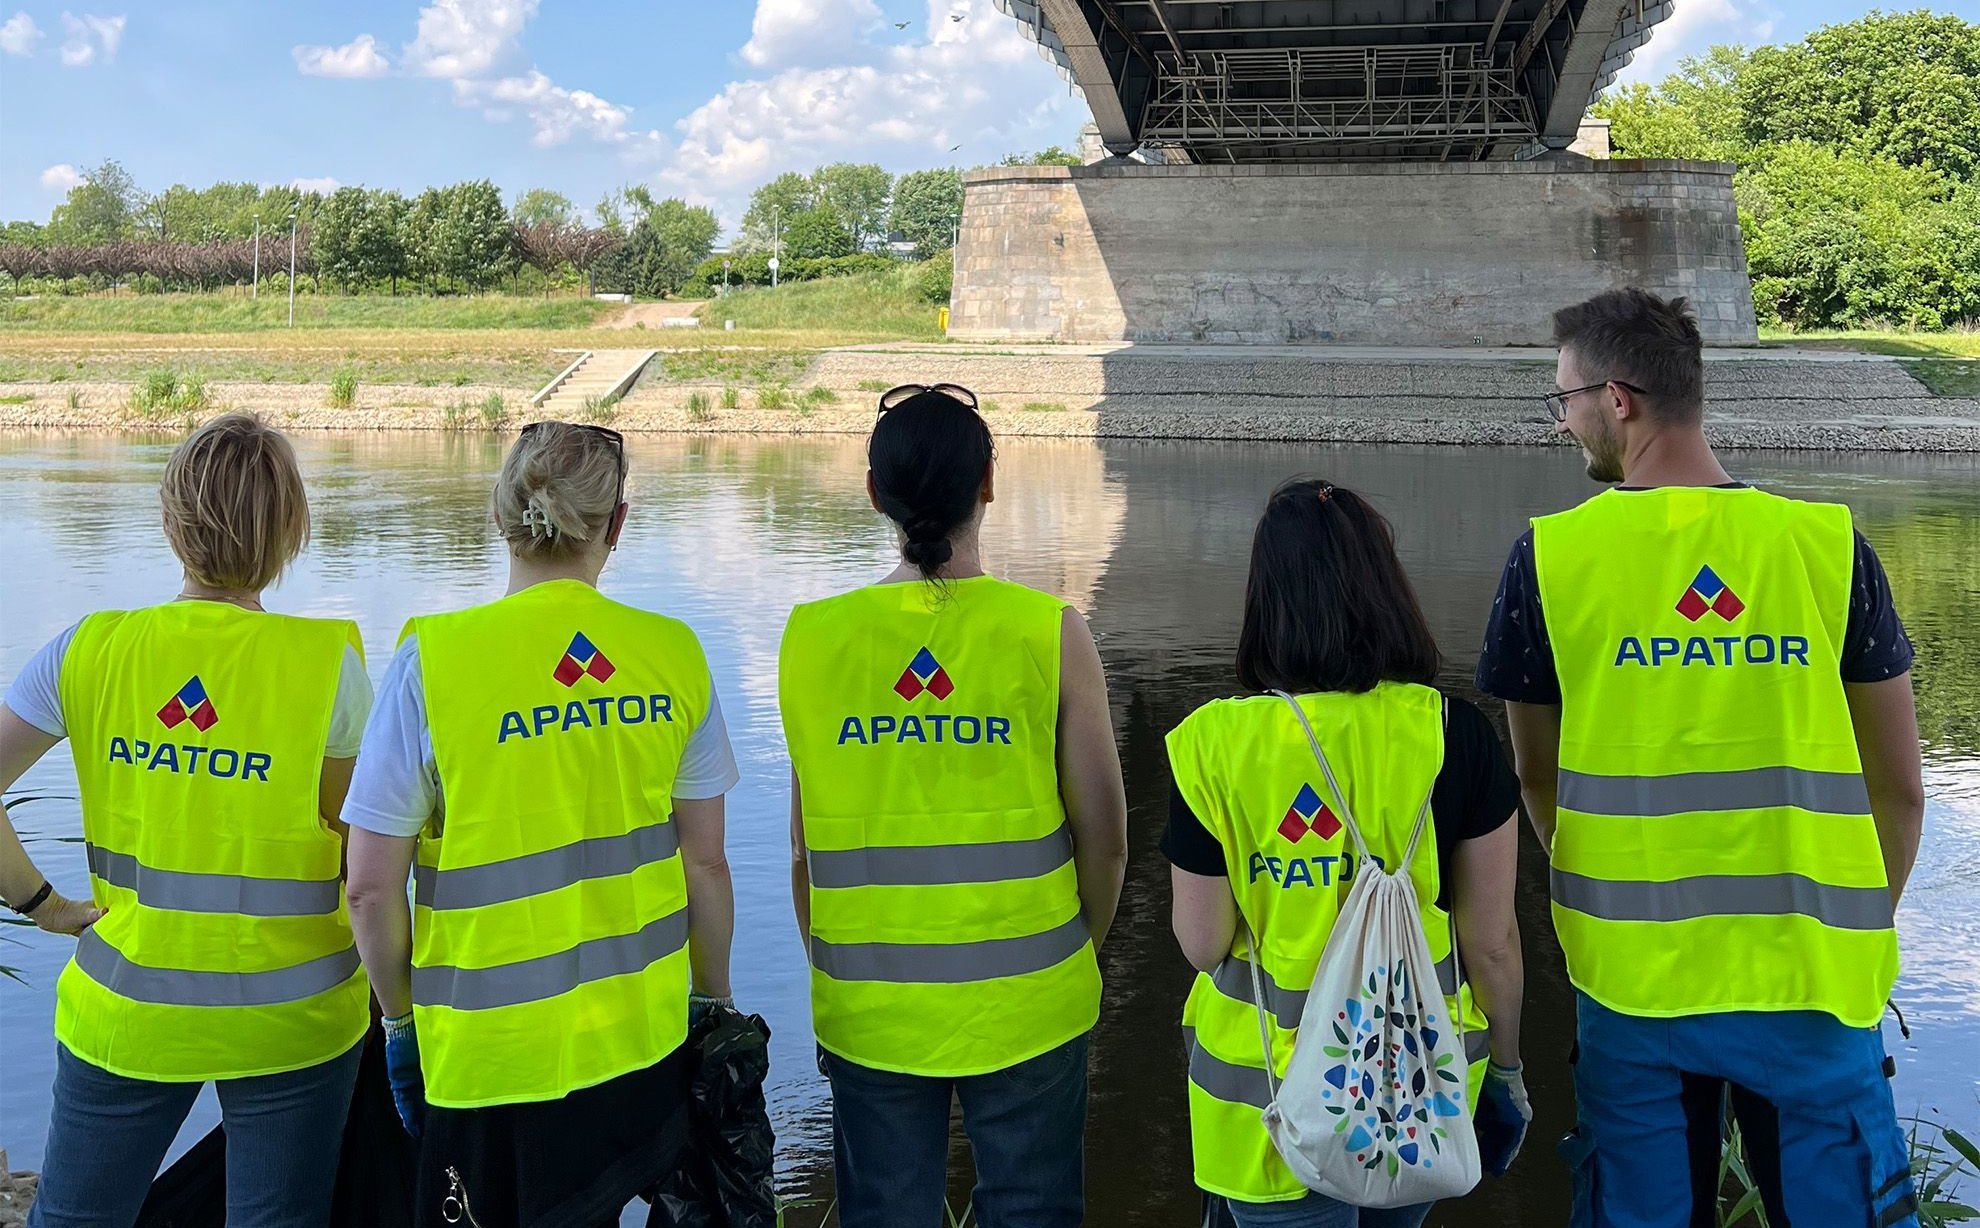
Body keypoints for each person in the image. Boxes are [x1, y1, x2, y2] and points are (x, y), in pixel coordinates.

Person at [1478, 288, 1926, 1228]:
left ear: (1617, 398)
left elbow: (1538, 778)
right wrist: (1858, 925)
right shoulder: (1826, 546)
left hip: (1635, 985)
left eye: (1565, 399)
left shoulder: (1550, 559)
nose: (1562, 421)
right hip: (1812, 981)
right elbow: (1899, 790)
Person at [341, 421, 740, 1228]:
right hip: (638, 1044)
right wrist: (712, 1003)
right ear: (616, 525)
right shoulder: (673, 655)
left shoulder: (433, 662)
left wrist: (399, 1023)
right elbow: (705, 866)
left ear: (498, 513)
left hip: (486, 1061)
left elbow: (370, 889)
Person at [0, 413, 374, 1228]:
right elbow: (364, 866)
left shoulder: (89, 650)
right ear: (291, 532)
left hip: (128, 1010)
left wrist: (41, 903)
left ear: (170, 521)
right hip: (294, 1022)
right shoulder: (328, 667)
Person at [778, 383, 1129, 1228]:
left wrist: (835, 967)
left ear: (875, 494)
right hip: (1032, 998)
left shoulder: (813, 638)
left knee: (886, 1212)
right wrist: (1074, 954)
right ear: (989, 484)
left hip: (871, 1004)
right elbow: (1108, 840)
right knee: (1033, 1211)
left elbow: (801, 852)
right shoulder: (1049, 630)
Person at [1166, 479, 1530, 1228]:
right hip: (1414, 1101)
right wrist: (1509, 1067)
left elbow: (1201, 943)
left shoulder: (1212, 745)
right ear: (1383, 588)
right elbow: (1491, 944)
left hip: (1265, 1104)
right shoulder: (1454, 733)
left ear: (1266, 599)